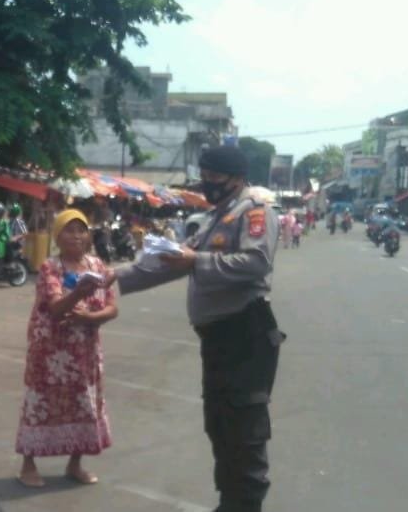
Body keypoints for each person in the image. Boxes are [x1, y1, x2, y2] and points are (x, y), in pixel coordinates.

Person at [108, 145, 283, 512]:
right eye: (203, 177)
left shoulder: (254, 211)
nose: (207, 184)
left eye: (214, 178)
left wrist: (196, 260)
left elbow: (256, 262)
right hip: (218, 340)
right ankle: (230, 502)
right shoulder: (214, 218)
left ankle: (244, 505)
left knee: (244, 433)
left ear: (236, 178)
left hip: (244, 336)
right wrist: (112, 278)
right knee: (220, 426)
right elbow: (170, 263)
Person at [16, 209, 119, 488]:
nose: (76, 236)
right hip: (50, 351)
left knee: (83, 404)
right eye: (69, 230)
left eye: (81, 230)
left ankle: (75, 464)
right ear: (57, 237)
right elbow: (55, 307)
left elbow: (112, 307)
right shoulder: (51, 267)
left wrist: (92, 318)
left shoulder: (97, 265)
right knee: (40, 404)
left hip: (84, 350)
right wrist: (80, 293)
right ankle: (28, 464)